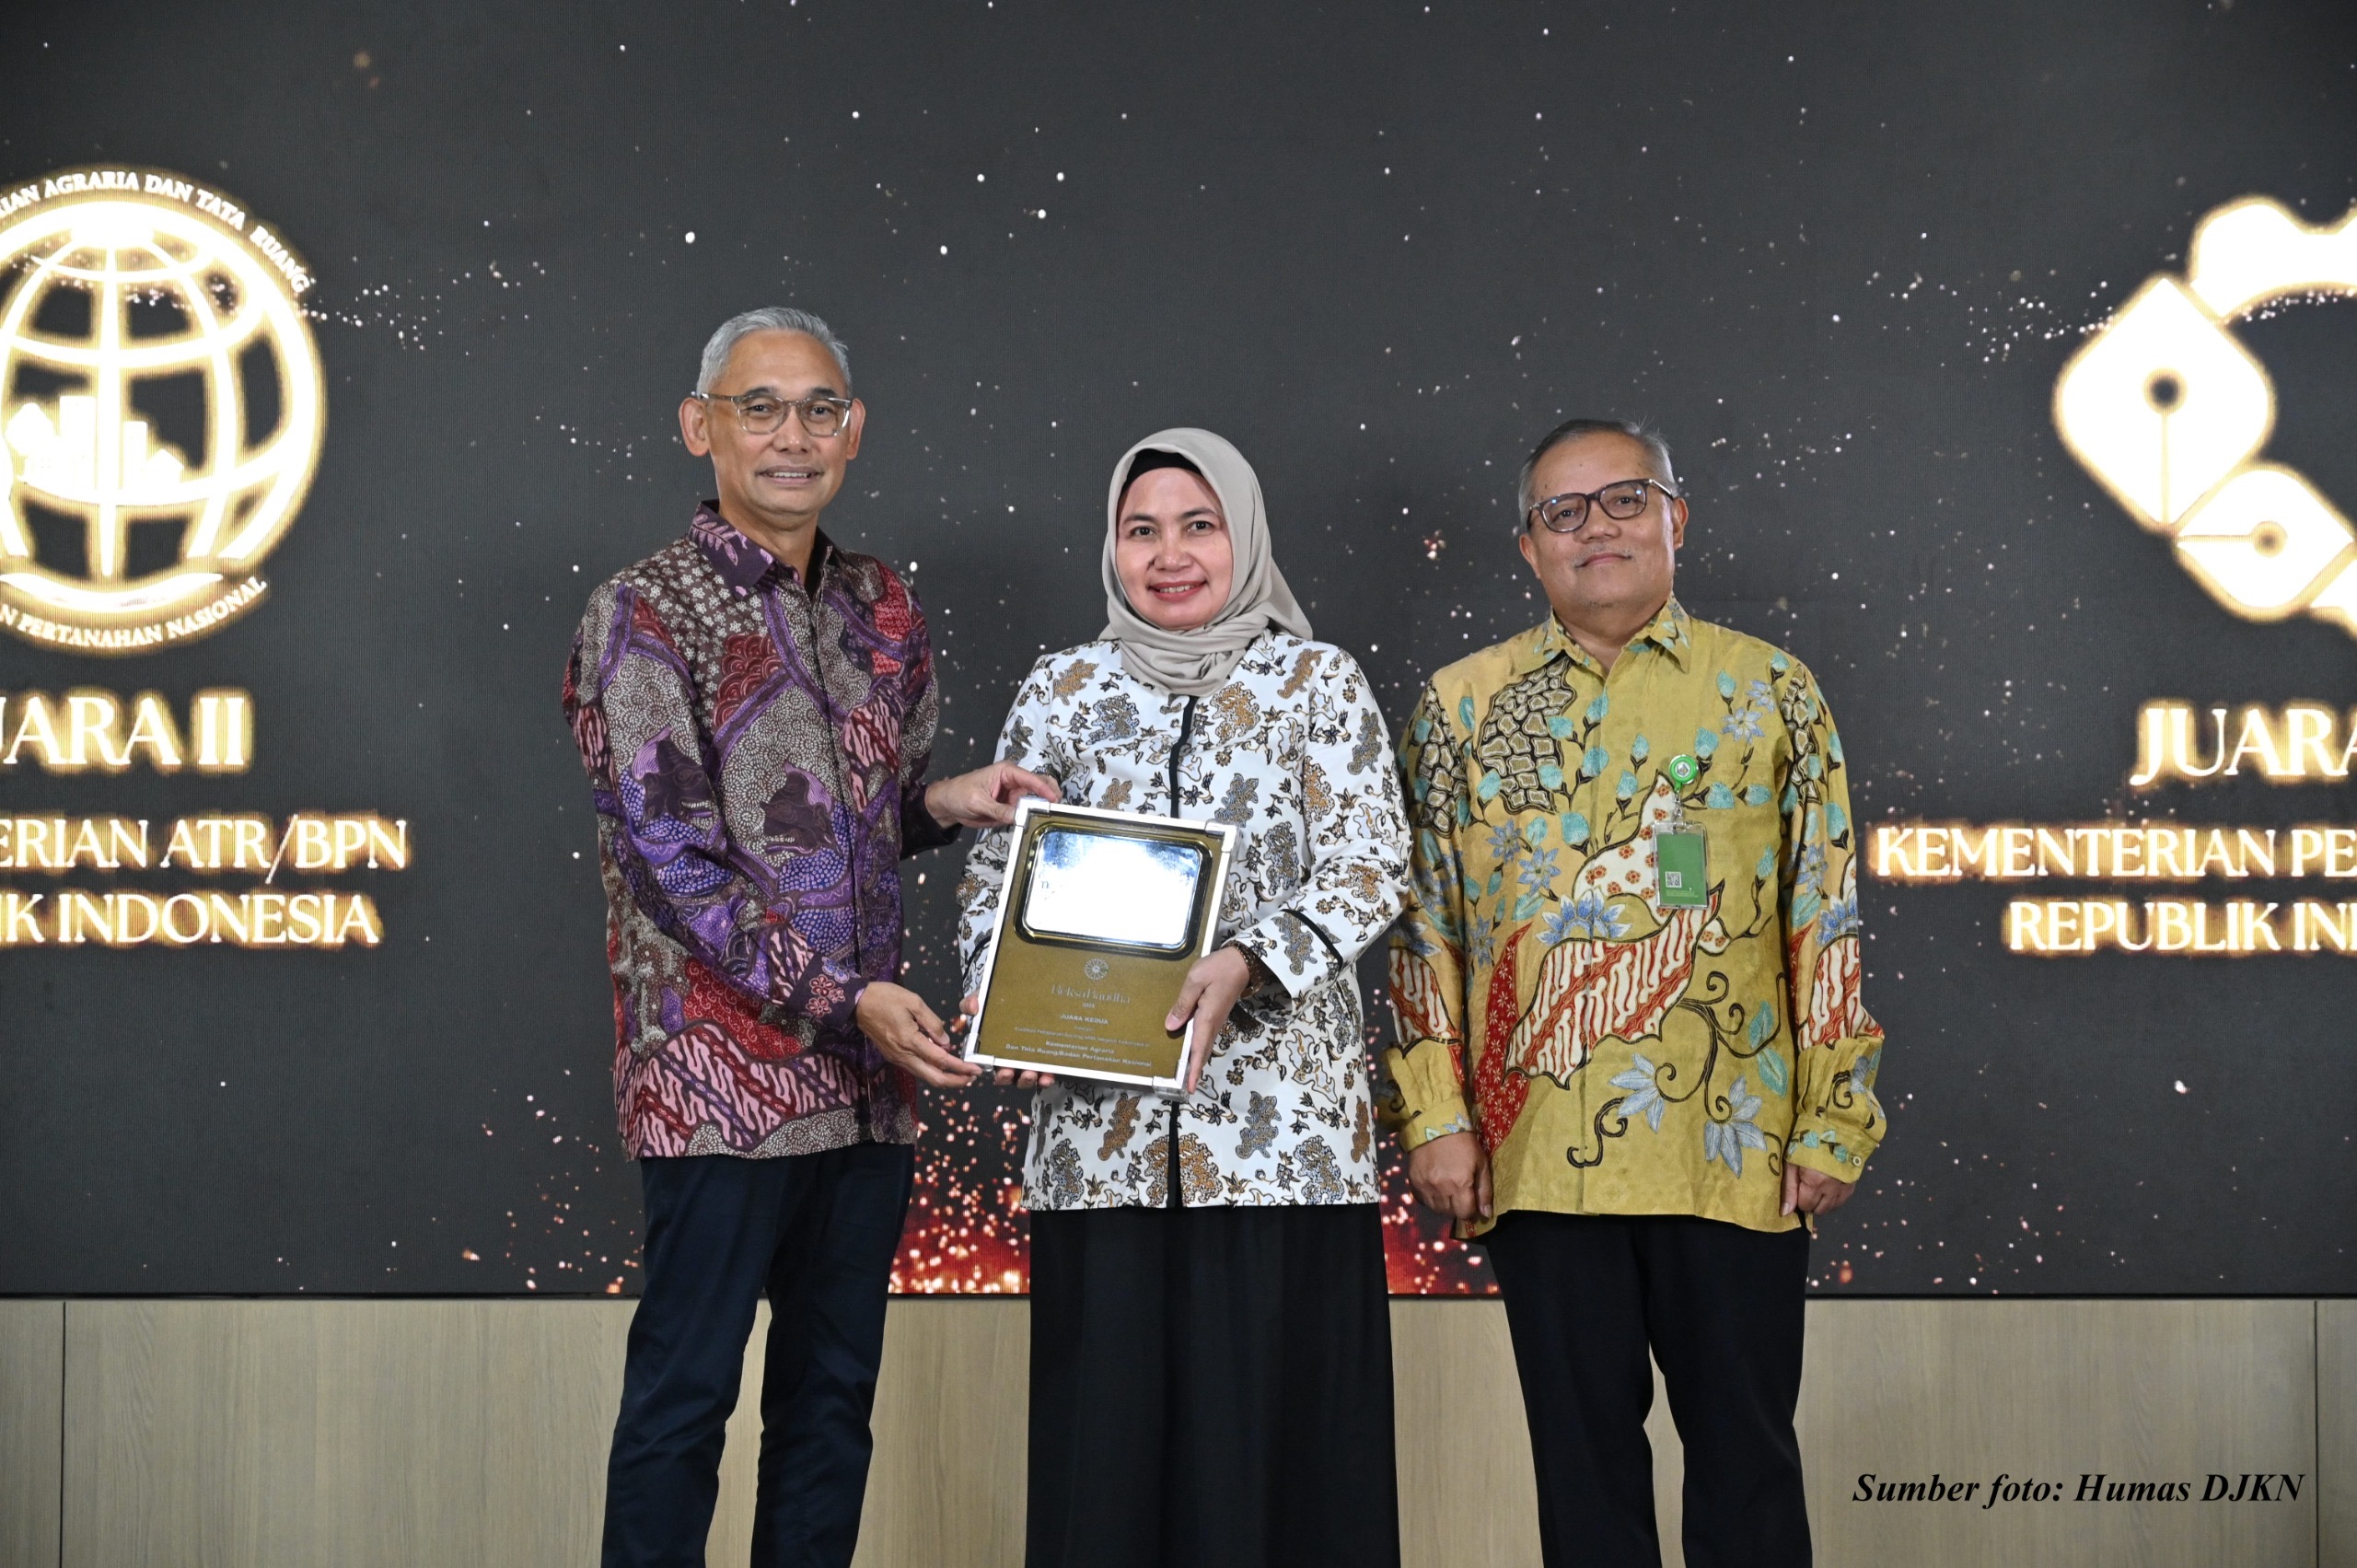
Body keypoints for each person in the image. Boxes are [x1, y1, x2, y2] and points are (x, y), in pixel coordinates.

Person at [563, 307, 1056, 1568]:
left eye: (819, 408)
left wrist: (946, 802)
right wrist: (848, 999)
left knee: (830, 1408)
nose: (793, 435)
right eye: (760, 407)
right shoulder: (642, 611)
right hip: (717, 1090)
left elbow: (856, 822)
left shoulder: (882, 604)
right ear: (701, 426)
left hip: (867, 1092)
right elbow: (675, 863)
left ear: (854, 428)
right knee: (684, 1400)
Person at [1384, 418, 1888, 1568]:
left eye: (1623, 499)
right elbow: (1426, 926)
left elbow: (1824, 909)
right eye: (1562, 511)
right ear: (1529, 547)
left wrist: (1833, 1113)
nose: (1595, 528)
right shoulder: (1460, 707)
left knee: (1747, 1461)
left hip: (1735, 1145)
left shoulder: (1771, 691)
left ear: (1676, 517)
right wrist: (1435, 1114)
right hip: (1535, 1151)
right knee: (1584, 1475)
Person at [952, 429, 1411, 1568]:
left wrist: (1249, 958)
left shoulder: (1317, 682)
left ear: (1243, 536)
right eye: (1141, 529)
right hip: (1098, 1147)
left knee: (1276, 1468)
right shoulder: (1063, 687)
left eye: (1199, 526)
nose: (1169, 555)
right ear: (1111, 546)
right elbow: (997, 871)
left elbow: (1370, 864)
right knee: (1106, 1468)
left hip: (1282, 1151)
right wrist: (998, 1001)